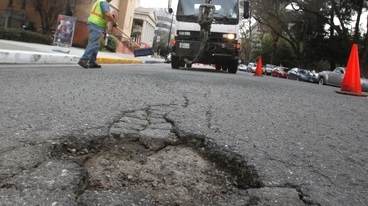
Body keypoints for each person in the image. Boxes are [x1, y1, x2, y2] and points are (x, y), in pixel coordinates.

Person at [78, 0, 117, 69]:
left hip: (95, 24)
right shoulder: (104, 2)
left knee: (96, 44)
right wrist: (114, 22)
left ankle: (92, 62)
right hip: (96, 24)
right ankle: (84, 59)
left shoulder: (100, 2)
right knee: (93, 43)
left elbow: (105, 15)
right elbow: (107, 14)